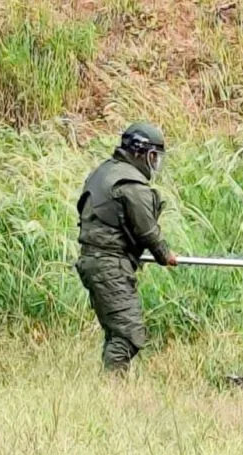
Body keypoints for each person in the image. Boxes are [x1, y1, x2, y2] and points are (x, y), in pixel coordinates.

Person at [75, 122, 178, 374]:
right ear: (140, 152)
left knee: (117, 332)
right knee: (129, 334)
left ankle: (113, 390)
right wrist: (165, 255)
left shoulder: (103, 173)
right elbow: (147, 230)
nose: (155, 165)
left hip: (95, 262)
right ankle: (113, 388)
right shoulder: (131, 184)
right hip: (110, 265)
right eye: (154, 157)